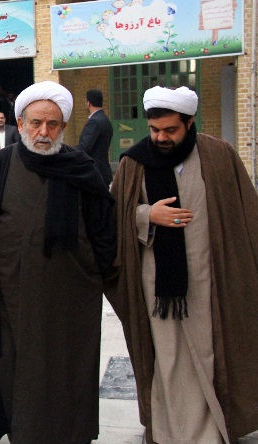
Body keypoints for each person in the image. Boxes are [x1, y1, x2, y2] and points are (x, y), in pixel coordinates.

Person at [0, 81, 116, 444]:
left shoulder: (80, 167)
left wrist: (96, 272)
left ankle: (69, 433)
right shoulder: (0, 166)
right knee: (15, 362)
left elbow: (104, 228)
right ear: (20, 124)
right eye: (36, 123)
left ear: (63, 126)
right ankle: (23, 431)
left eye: (52, 124)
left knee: (67, 365)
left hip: (70, 296)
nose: (44, 132)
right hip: (11, 291)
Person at [107, 86, 258, 444]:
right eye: (155, 129)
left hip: (211, 277)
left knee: (210, 352)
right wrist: (146, 215)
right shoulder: (134, 163)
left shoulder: (218, 155)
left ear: (189, 123)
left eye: (170, 130)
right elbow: (112, 217)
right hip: (158, 285)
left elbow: (245, 212)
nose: (161, 137)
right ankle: (170, 432)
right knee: (169, 357)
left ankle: (215, 430)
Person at [75, 89, 114, 186]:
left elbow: (84, 147)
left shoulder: (94, 122)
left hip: (94, 173)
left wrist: (66, 150)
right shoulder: (105, 120)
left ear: (88, 103)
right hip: (102, 171)